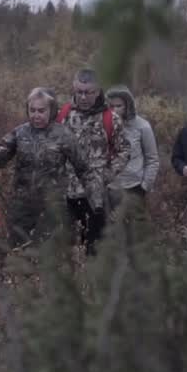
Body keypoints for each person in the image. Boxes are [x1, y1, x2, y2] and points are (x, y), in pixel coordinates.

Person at [0, 87, 102, 252]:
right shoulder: (20, 133)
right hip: (21, 206)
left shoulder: (64, 135)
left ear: (52, 110)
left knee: (48, 256)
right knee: (17, 254)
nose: (36, 115)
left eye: (41, 111)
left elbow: (84, 170)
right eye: (32, 110)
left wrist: (96, 200)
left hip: (52, 207)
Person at [57, 68, 132, 255]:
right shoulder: (63, 115)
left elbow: (124, 151)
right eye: (79, 91)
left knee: (95, 249)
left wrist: (105, 175)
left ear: (98, 91)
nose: (83, 97)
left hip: (96, 197)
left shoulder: (110, 119)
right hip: (66, 195)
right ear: (74, 89)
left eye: (88, 92)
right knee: (66, 248)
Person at [104, 85, 160, 216]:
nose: (115, 110)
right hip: (109, 188)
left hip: (133, 188)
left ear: (127, 105)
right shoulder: (102, 125)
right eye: (111, 106)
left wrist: (144, 187)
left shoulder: (142, 126)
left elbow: (152, 159)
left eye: (119, 106)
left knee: (133, 230)